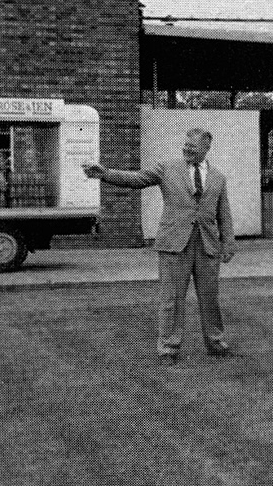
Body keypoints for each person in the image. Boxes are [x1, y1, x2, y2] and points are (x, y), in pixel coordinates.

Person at [84, 127, 234, 365]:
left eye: (193, 147)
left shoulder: (218, 177)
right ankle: (168, 348)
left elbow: (223, 213)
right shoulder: (166, 168)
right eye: (185, 145)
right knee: (171, 299)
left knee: (210, 298)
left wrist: (228, 242)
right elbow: (137, 179)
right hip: (174, 244)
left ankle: (216, 342)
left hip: (207, 246)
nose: (187, 149)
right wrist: (106, 173)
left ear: (206, 148)